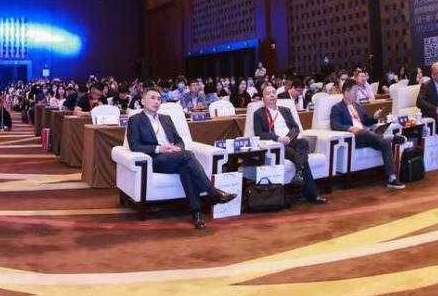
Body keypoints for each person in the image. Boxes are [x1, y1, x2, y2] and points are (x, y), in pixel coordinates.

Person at [126, 87, 234, 229]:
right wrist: (159, 149)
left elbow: (179, 140)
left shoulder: (166, 118)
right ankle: (212, 193)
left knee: (186, 167)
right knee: (188, 156)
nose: (157, 102)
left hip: (175, 157)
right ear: (142, 101)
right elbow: (134, 145)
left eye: (159, 99)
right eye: (152, 98)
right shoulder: (135, 120)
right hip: (155, 159)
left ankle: (196, 213)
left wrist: (177, 148)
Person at [252, 85, 327, 204]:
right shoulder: (258, 114)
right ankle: (312, 194)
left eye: (273, 92)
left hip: (290, 140)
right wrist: (278, 139)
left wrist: (289, 138)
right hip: (277, 145)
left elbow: (295, 128)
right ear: (263, 98)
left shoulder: (285, 110)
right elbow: (259, 133)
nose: (272, 95)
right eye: (268, 93)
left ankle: (299, 174)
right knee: (300, 156)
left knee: (303, 142)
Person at [332, 79, 408, 187]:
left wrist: (374, 118)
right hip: (354, 138)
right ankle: (389, 137)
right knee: (364, 132)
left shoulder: (357, 106)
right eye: (355, 91)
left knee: (384, 142)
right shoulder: (337, 108)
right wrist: (350, 128)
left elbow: (367, 121)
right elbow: (335, 125)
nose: (357, 94)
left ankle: (392, 178)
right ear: (346, 92)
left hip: (368, 135)